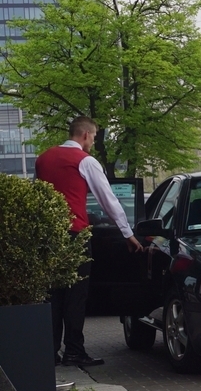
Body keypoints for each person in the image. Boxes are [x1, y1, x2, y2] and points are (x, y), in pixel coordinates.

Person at [35, 116, 143, 367]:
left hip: (49, 236)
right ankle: (74, 350)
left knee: (52, 295)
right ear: (85, 135)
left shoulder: (43, 158)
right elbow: (108, 200)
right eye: (93, 137)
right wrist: (127, 232)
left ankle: (50, 352)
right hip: (75, 235)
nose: (93, 142)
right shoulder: (85, 161)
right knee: (76, 295)